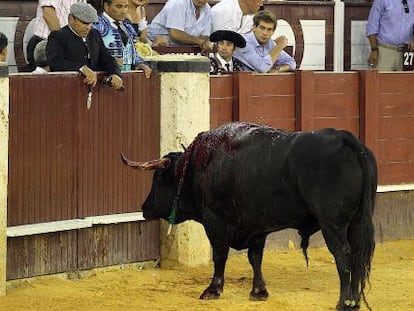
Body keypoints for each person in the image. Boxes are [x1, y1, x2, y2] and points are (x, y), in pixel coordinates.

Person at [47, 2, 123, 90]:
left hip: (92, 90)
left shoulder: (94, 34)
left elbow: (106, 58)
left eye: (91, 23)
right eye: (84, 23)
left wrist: (115, 74)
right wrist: (81, 68)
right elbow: (56, 62)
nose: (88, 27)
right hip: (66, 88)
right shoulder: (58, 36)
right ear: (71, 19)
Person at [93, 0, 152, 77]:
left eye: (126, 6)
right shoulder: (97, 24)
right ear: (106, 6)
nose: (124, 11)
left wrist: (140, 63)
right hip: (105, 77)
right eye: (119, 7)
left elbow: (133, 48)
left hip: (128, 76)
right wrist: (108, 61)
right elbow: (91, 53)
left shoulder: (126, 25)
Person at [26, 0, 77, 71]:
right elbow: (48, 13)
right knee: (41, 81)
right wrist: (62, 41)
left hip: (63, 45)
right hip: (45, 46)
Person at [147, 0, 213, 53]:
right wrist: (200, 42)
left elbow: (204, 35)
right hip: (157, 45)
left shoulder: (207, 8)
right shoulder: (178, 3)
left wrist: (202, 43)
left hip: (183, 48)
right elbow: (175, 33)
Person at [366, 0, 414, 71]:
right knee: (382, 81)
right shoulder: (382, 1)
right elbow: (371, 26)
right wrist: (374, 49)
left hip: (407, 53)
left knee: (405, 81)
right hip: (385, 50)